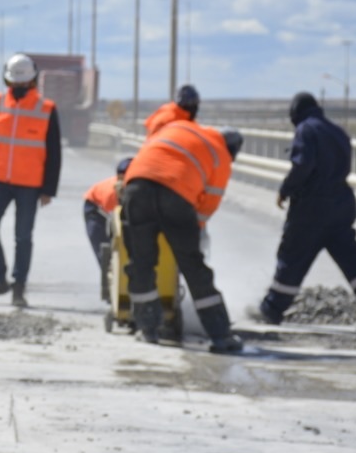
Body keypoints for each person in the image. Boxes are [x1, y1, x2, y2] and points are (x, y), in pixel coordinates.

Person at [251, 92, 356, 330]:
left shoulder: (306, 130)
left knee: (292, 257)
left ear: (295, 114)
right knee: (353, 262)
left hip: (312, 208)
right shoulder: (337, 131)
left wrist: (286, 189)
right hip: (341, 204)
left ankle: (271, 310)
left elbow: (302, 165)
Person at [120, 121, 244, 353]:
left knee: (141, 262)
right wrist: (191, 233)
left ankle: (148, 329)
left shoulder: (180, 127)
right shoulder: (220, 156)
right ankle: (220, 335)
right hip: (175, 195)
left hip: (136, 186)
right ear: (232, 149)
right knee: (193, 266)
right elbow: (206, 208)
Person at [0, 53, 62, 308]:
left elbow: (54, 152)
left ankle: (18, 288)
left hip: (30, 183)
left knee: (23, 237)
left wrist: (49, 189)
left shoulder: (46, 108)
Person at [83, 157, 132, 298]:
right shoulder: (113, 195)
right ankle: (112, 291)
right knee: (108, 250)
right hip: (97, 210)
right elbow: (119, 225)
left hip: (116, 209)